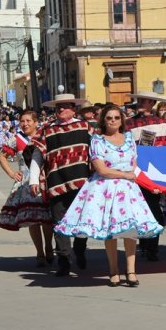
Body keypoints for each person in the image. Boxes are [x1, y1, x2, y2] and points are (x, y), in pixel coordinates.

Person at [54, 105, 164, 286]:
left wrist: (150, 184)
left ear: (122, 120)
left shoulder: (129, 139)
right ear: (103, 121)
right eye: (109, 118)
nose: (113, 121)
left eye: (116, 118)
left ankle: (131, 271)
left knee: (131, 231)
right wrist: (125, 175)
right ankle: (113, 271)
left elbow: (134, 165)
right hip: (105, 189)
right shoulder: (97, 140)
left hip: (128, 190)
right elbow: (101, 169)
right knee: (110, 232)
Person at [29, 93, 94, 277]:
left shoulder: (85, 127)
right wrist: (34, 179)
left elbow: (97, 150)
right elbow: (38, 154)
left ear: (73, 108)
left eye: (65, 106)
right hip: (56, 182)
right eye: (58, 107)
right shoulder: (47, 130)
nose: (61, 109)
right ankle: (64, 260)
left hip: (82, 182)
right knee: (59, 223)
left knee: (82, 221)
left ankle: (80, 249)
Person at [0, 110, 54, 265]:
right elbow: (1, 155)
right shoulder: (17, 139)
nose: (25, 124)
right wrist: (11, 173)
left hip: (45, 181)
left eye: (28, 121)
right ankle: (40, 253)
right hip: (27, 184)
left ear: (36, 122)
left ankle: (49, 247)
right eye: (22, 121)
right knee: (33, 220)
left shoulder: (44, 135)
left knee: (47, 219)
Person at [125, 91, 166, 261]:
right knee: (138, 210)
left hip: (154, 173)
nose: (140, 103)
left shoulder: (161, 124)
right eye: (139, 100)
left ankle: (152, 245)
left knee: (153, 209)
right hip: (135, 173)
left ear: (152, 103)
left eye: (144, 100)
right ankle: (144, 243)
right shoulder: (128, 124)